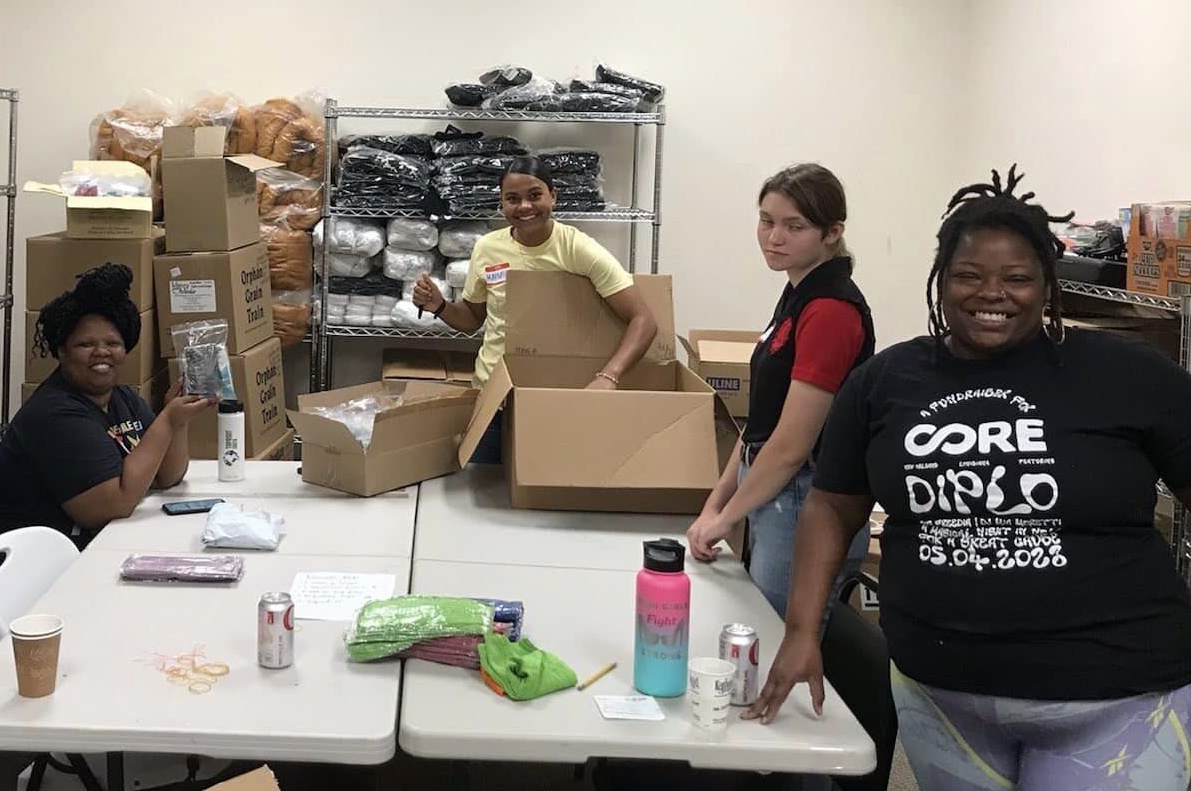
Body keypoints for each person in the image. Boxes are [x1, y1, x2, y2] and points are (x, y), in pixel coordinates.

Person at [748, 166, 1191, 791]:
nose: (993, 294)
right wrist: (800, 632)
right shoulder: (886, 383)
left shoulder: (1126, 374)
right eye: (969, 276)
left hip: (1113, 699)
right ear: (940, 279)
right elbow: (832, 506)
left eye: (1017, 278)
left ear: (1047, 286)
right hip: (942, 696)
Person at [684, 164, 875, 618]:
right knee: (759, 633)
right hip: (773, 490)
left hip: (804, 499)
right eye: (766, 221)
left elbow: (791, 445)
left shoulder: (830, 310)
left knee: (776, 642)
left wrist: (725, 520)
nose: (775, 237)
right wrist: (716, 502)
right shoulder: (799, 292)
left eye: (795, 226)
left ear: (832, 233)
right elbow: (762, 421)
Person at [0, 263, 217, 557]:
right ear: (62, 351)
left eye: (113, 343)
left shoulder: (122, 399)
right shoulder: (55, 415)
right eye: (85, 344)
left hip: (73, 554)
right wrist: (167, 421)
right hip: (10, 571)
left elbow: (168, 476)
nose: (102, 352)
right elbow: (112, 506)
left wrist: (179, 420)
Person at [411, 155, 658, 463]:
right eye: (512, 199)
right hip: (493, 395)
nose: (524, 206)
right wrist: (439, 306)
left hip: (553, 399)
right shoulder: (488, 248)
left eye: (534, 195)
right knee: (481, 491)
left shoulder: (576, 248)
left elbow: (644, 320)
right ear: (502, 204)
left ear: (553, 196)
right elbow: (473, 319)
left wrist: (609, 376)